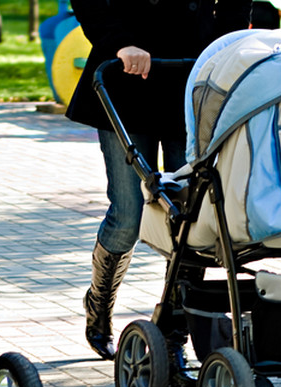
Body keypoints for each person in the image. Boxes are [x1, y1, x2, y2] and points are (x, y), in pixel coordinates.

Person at [68, 0, 250, 364]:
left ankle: (173, 334)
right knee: (128, 216)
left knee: (191, 217)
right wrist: (120, 42)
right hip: (126, 77)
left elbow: (235, 6)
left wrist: (224, 47)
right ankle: (99, 304)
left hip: (193, 82)